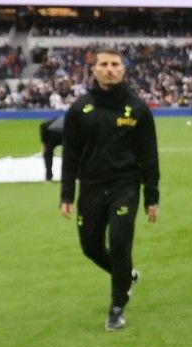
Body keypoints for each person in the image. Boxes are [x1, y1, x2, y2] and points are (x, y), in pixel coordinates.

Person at [59, 50, 159, 331]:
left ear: (123, 70)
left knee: (119, 242)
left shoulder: (138, 109)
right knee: (90, 246)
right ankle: (126, 275)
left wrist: (152, 196)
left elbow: (149, 156)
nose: (109, 69)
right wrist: (66, 194)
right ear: (94, 70)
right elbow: (70, 156)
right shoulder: (79, 109)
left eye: (115, 64)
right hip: (90, 188)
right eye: (103, 64)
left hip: (125, 186)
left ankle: (117, 307)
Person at [39, 112, 65, 182]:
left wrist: (43, 143)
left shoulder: (50, 122)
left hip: (52, 134)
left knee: (47, 154)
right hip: (62, 133)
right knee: (68, 155)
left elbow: (42, 125)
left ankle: (48, 176)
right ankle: (66, 176)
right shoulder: (72, 123)